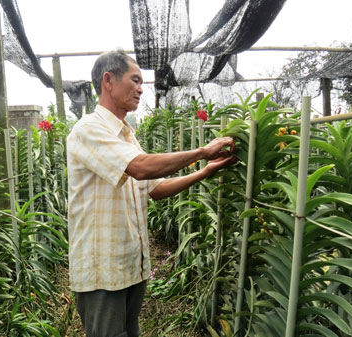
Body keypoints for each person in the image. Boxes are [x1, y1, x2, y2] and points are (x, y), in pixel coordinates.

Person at [66, 49, 236, 337]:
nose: (141, 89)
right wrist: (202, 152)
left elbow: (153, 189)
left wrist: (204, 172)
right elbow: (140, 168)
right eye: (135, 80)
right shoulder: (88, 129)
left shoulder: (126, 134)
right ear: (108, 80)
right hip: (103, 273)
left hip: (129, 266)